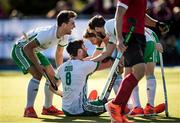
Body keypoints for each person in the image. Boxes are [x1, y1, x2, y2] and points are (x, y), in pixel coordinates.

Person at [104, 0, 169, 122]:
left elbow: (141, 15)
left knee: (130, 74)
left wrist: (156, 24)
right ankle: (115, 105)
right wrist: (119, 38)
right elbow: (119, 13)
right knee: (140, 70)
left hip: (139, 36)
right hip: (129, 34)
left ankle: (120, 113)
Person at [11, 10, 77, 118]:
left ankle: (47, 108)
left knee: (53, 76)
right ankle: (28, 109)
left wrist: (59, 73)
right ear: (64, 25)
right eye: (72, 23)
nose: (74, 26)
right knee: (38, 75)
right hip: (20, 49)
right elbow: (27, 48)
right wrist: (38, 66)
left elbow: (59, 53)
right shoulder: (47, 34)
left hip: (34, 51)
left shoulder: (64, 35)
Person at [54, 40, 113, 116]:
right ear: (79, 52)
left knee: (102, 102)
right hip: (80, 109)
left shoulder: (61, 67)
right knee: (112, 103)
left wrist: (63, 94)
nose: (87, 49)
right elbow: (108, 63)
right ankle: (91, 101)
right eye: (84, 47)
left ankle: (90, 101)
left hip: (65, 109)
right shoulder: (84, 65)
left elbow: (51, 87)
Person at [129, 27, 165, 115]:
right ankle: (145, 107)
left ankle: (141, 107)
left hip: (145, 39)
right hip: (147, 38)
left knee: (133, 74)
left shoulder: (120, 25)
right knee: (146, 74)